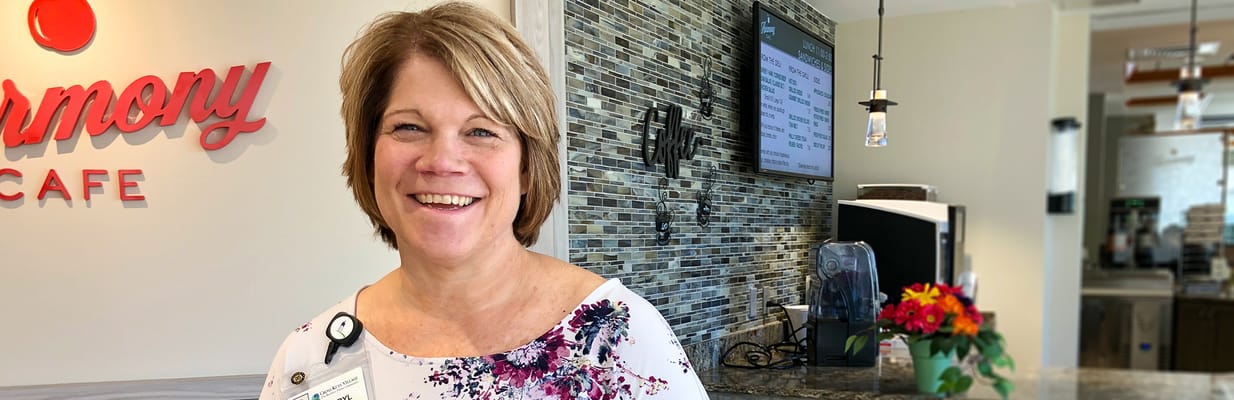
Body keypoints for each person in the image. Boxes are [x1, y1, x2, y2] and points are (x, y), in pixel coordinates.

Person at [258, 2, 709, 399]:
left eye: (481, 132)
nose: (442, 161)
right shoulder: (311, 357)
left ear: (528, 167)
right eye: (409, 127)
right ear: (369, 155)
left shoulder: (619, 338)